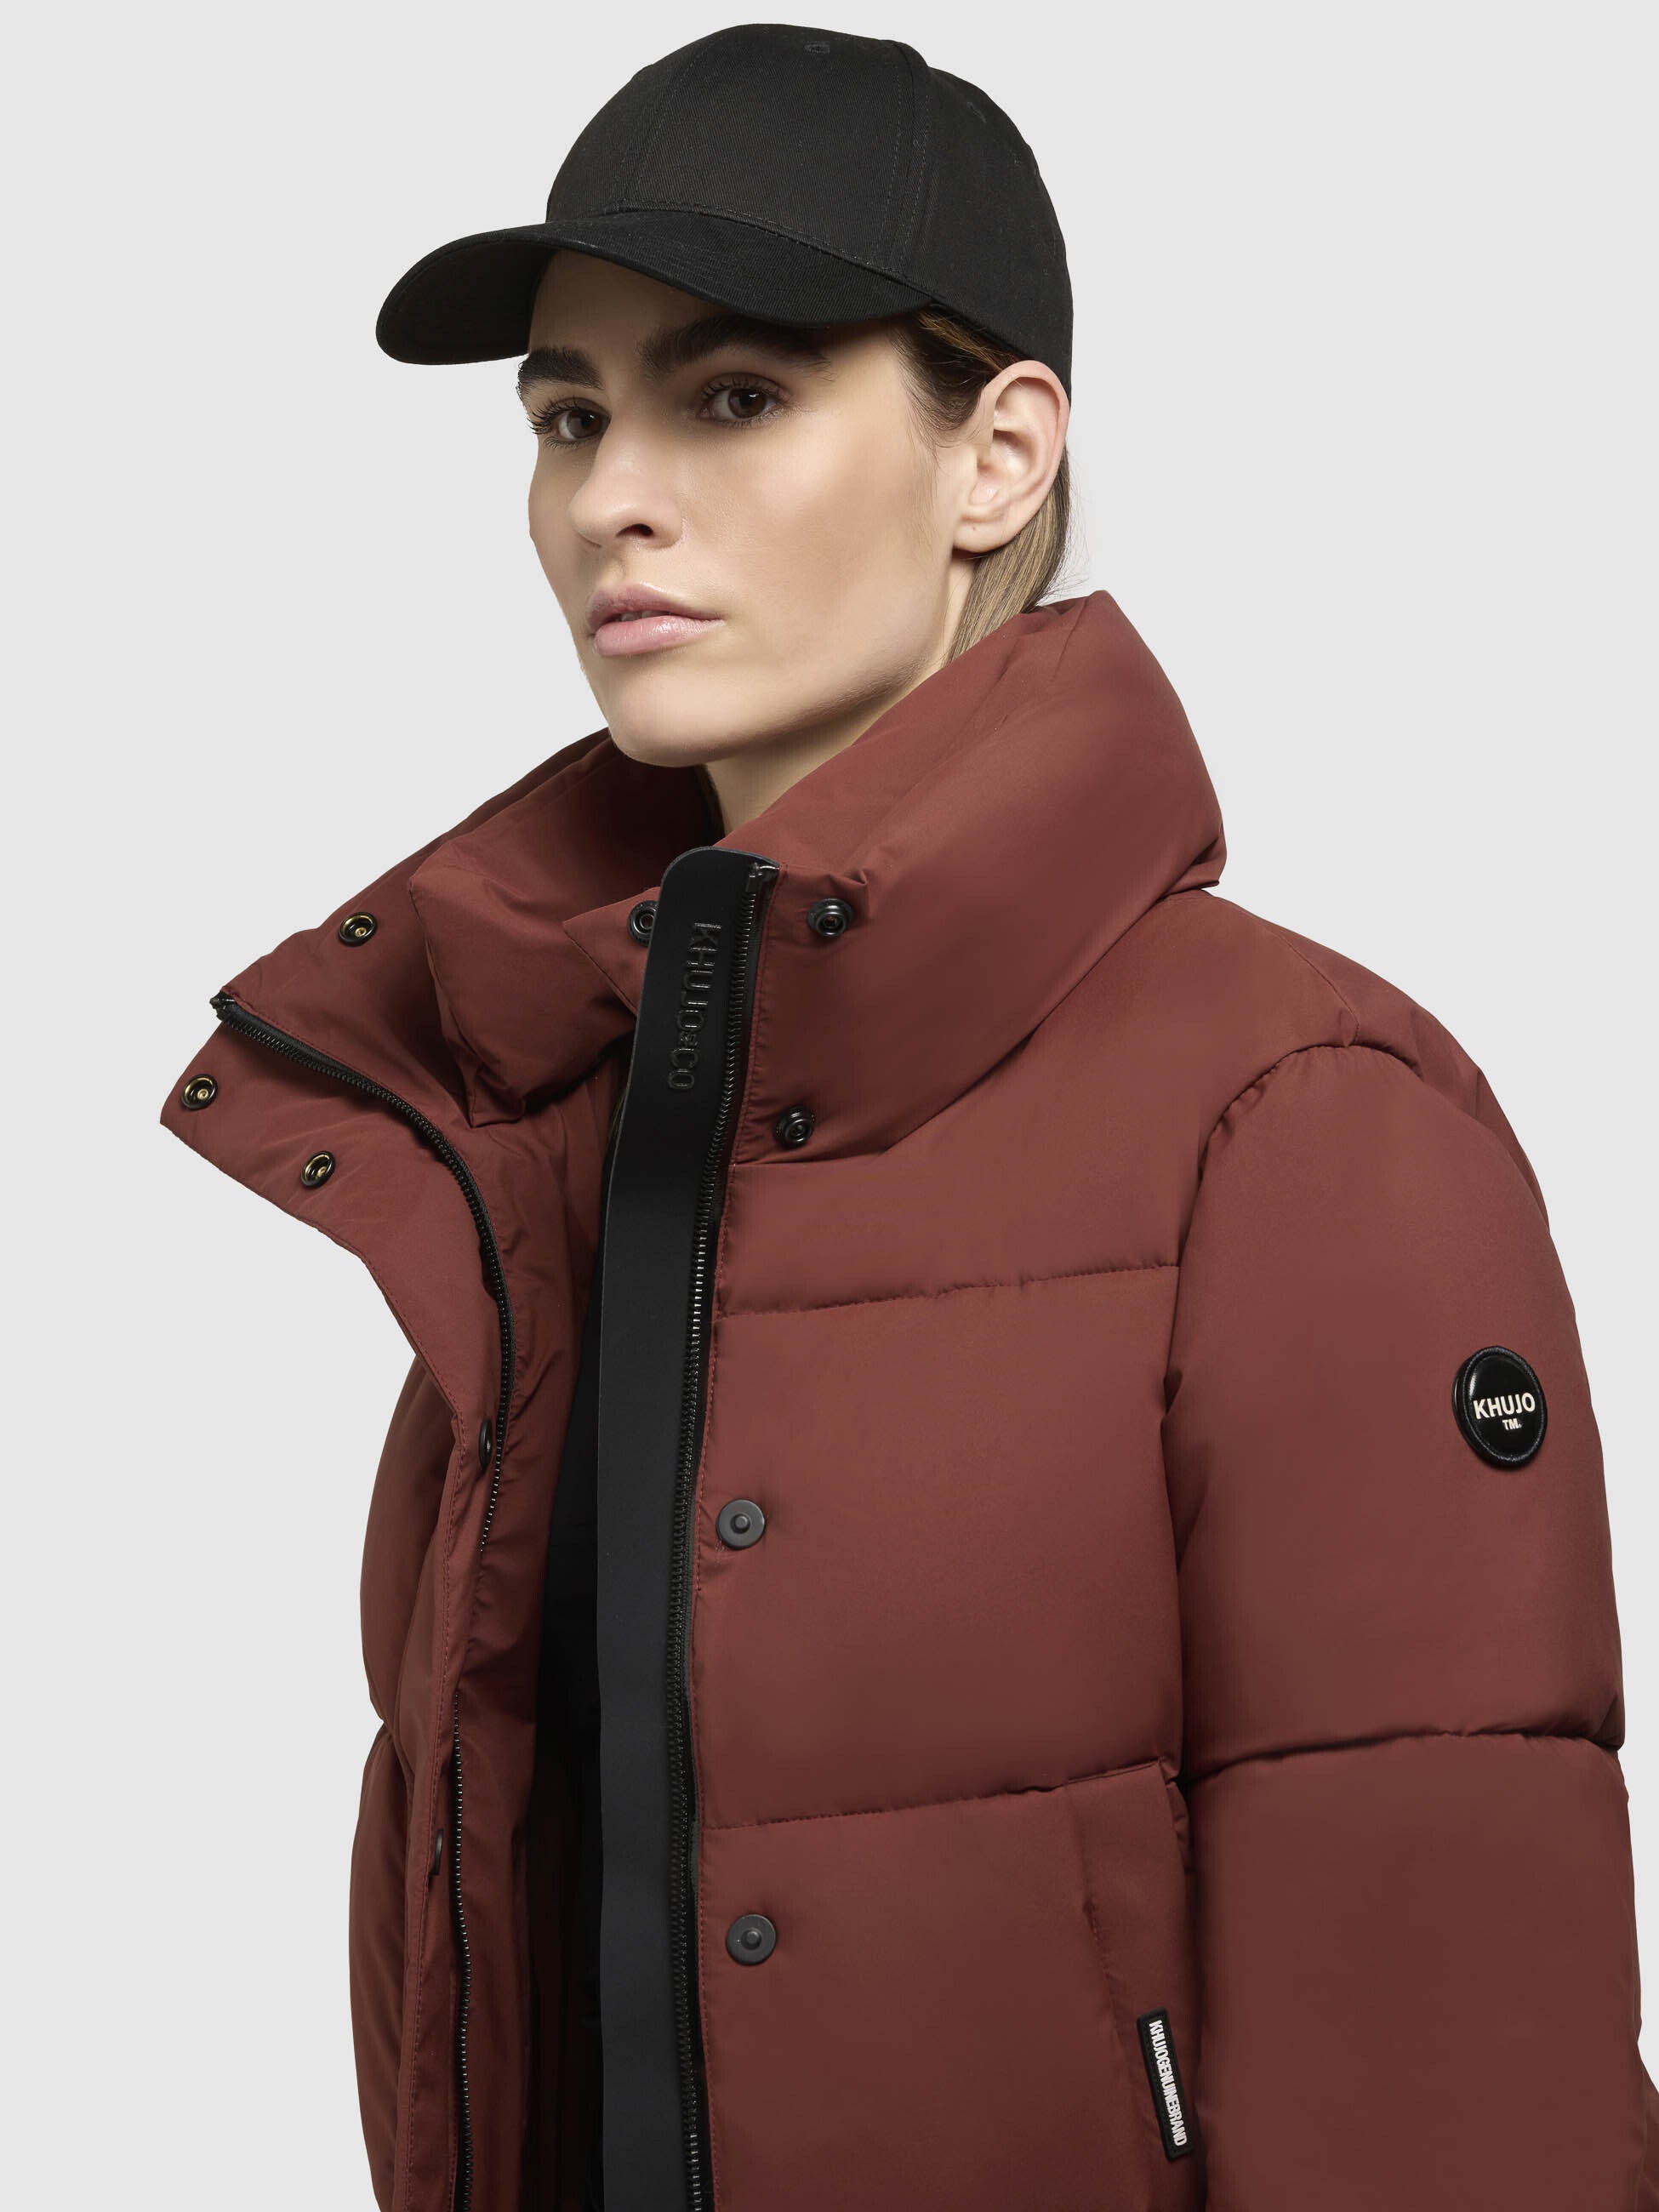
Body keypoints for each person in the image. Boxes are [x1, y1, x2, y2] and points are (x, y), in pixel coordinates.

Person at [158, 23, 1658, 2212]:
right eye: (567, 416)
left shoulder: (1302, 1119)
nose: (610, 495)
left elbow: (1450, 2050)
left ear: (1000, 456)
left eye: (731, 397)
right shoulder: (549, 1119)